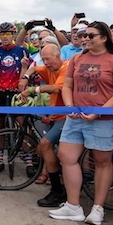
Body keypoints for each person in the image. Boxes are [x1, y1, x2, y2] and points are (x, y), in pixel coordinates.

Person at [48, 21, 113, 225]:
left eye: (90, 35)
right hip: (76, 118)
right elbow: (67, 86)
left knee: (102, 161)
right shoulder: (76, 59)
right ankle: (73, 205)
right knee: (66, 156)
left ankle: (98, 208)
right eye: (84, 35)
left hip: (104, 120)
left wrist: (99, 112)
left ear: (104, 38)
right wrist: (70, 106)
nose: (85, 38)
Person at [19, 44, 69, 207]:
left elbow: (55, 89)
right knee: (45, 148)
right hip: (56, 116)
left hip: (66, 117)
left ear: (58, 56)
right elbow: (34, 69)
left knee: (45, 144)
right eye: (44, 59)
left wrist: (32, 90)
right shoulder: (49, 68)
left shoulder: (65, 68)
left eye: (48, 58)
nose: (46, 62)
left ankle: (57, 190)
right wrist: (25, 77)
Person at [0, 21, 30, 130]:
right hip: (0, 91)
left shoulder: (22, 50)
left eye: (8, 34)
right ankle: (1, 147)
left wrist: (25, 67)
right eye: (2, 34)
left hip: (16, 91)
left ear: (13, 35)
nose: (5, 37)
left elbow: (30, 71)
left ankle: (25, 146)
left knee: (21, 124)